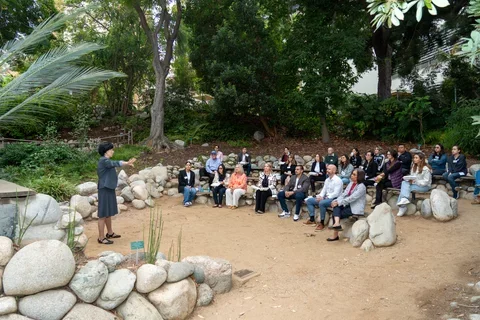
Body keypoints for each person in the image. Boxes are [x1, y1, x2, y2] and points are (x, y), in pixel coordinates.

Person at [97, 142, 136, 245]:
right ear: (106, 151)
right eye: (111, 150)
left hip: (109, 188)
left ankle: (109, 233)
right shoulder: (103, 161)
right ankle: (101, 238)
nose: (113, 151)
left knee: (108, 212)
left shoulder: (106, 160)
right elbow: (114, 163)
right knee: (102, 214)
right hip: (104, 189)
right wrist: (127, 163)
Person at [327, 169, 367, 241]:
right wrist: (336, 201)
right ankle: (336, 224)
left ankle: (335, 233)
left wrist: (339, 202)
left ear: (359, 176)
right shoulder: (351, 183)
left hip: (355, 207)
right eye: (352, 173)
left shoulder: (362, 187)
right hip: (347, 204)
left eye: (354, 174)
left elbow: (352, 198)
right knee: (336, 207)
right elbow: (344, 194)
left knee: (336, 213)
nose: (352, 175)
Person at [304, 164, 343, 231]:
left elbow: (336, 194)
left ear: (334, 171)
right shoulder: (327, 180)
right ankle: (312, 219)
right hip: (325, 198)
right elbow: (323, 191)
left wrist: (324, 198)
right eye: (327, 169)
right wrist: (320, 196)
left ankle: (322, 223)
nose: (327, 171)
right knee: (309, 200)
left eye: (329, 169)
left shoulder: (338, 180)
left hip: (334, 199)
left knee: (322, 203)